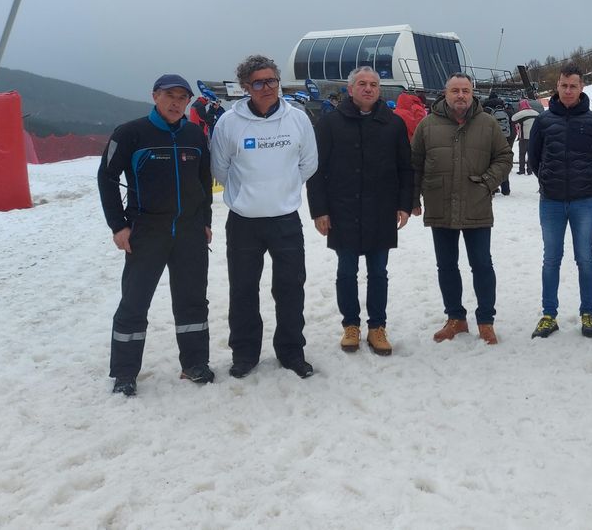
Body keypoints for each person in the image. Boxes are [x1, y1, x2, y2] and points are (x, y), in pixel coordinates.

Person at [97, 74, 214, 396]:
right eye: (170, 95)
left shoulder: (194, 134)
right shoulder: (130, 133)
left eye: (182, 97)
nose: (176, 102)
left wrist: (206, 221)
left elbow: (204, 181)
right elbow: (106, 177)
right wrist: (118, 225)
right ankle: (124, 373)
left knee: (192, 302)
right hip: (146, 232)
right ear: (155, 96)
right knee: (135, 303)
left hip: (190, 232)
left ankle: (194, 363)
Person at [211, 54, 319, 380]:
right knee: (243, 289)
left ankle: (291, 352)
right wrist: (249, 194)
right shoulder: (229, 123)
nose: (268, 87)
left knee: (290, 288)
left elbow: (308, 164)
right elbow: (220, 169)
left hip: (285, 219)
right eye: (259, 82)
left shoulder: (297, 119)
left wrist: (282, 189)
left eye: (272, 80)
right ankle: (245, 353)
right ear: (246, 87)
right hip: (244, 221)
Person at [307, 66, 413, 356]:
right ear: (350, 89)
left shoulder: (393, 124)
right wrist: (320, 210)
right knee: (346, 271)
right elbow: (316, 171)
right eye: (362, 84)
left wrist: (405, 203)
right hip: (343, 210)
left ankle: (377, 326)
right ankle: (350, 326)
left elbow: (406, 167)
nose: (368, 88)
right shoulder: (329, 124)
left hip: (381, 209)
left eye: (374, 84)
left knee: (379, 271)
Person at [411, 73, 513, 344]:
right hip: (439, 204)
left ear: (472, 93)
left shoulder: (488, 124)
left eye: (465, 90)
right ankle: (455, 318)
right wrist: (413, 198)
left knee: (481, 265)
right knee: (446, 266)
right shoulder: (428, 125)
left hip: (476, 204)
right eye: (455, 90)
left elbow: (504, 157)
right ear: (445, 93)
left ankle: (485, 321)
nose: (460, 95)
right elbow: (415, 163)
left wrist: (487, 183)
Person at [527, 64, 592, 338]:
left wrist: (585, 183)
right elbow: (534, 159)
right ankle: (549, 315)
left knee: (585, 258)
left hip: (583, 202)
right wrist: (548, 180)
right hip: (550, 201)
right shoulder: (543, 121)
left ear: (581, 87)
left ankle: (588, 313)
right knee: (551, 259)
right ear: (558, 87)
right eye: (564, 85)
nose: (568, 90)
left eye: (573, 85)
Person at [511, 99, 538, 175]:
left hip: (523, 137)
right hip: (533, 137)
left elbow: (513, 119)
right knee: (530, 154)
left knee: (522, 154)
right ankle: (530, 170)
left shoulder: (521, 113)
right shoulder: (536, 113)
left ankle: (521, 170)